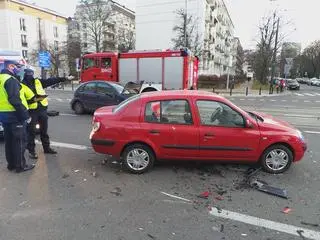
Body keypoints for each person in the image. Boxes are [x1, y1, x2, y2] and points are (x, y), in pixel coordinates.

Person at [22, 69, 73, 159]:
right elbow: (22, 100)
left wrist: (64, 78)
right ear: (25, 75)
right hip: (31, 111)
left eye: (31, 74)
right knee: (31, 132)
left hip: (42, 110)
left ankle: (47, 148)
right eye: (28, 74)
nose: (30, 75)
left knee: (44, 131)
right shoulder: (22, 85)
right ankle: (31, 151)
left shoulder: (38, 81)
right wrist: (32, 100)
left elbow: (50, 81)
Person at [0, 61, 35, 173]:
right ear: (10, 66)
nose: (19, 69)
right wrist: (25, 115)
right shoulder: (10, 80)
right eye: (18, 67)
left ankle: (11, 164)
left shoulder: (1, 78)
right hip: (15, 115)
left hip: (3, 115)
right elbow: (14, 99)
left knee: (9, 141)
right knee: (20, 141)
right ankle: (20, 166)